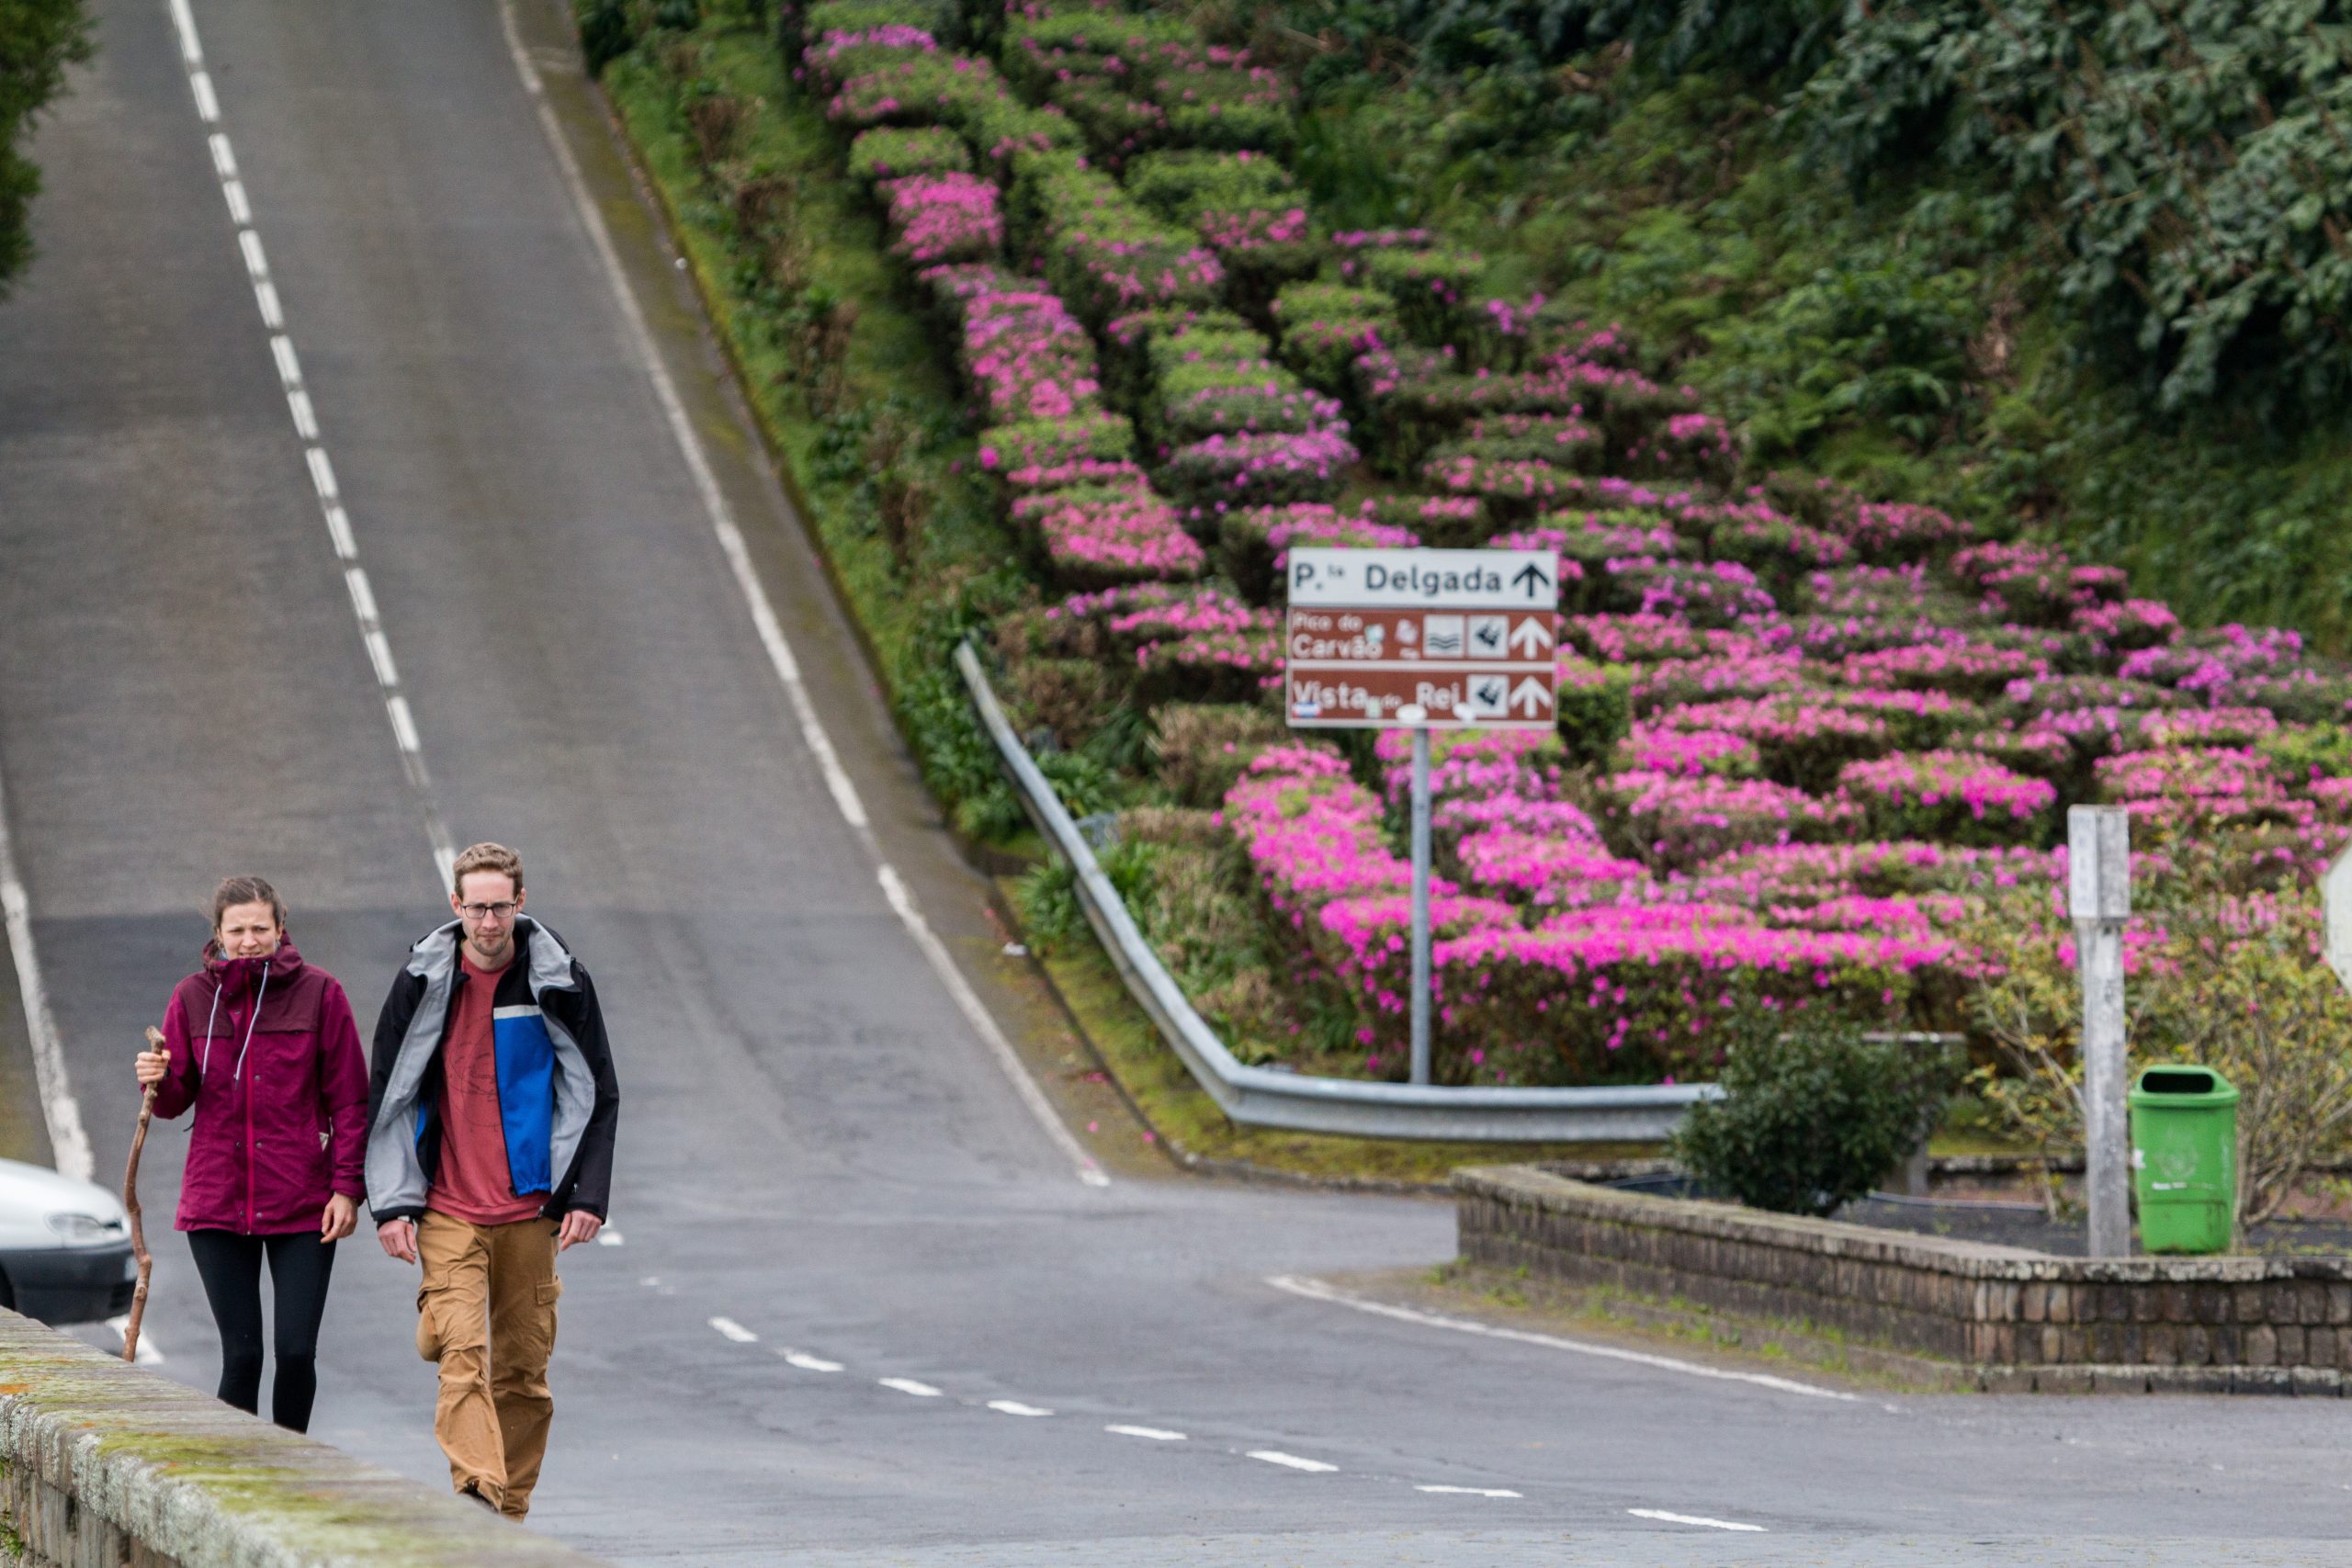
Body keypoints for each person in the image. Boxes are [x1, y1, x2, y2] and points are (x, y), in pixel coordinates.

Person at [366, 841, 618, 1521]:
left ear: (520, 903)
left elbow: (599, 1088)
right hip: (448, 1207)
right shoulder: (423, 981)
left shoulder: (557, 979)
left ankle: (508, 1516)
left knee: (523, 1374)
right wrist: (391, 1203)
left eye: (499, 907)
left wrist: (587, 1195)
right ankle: (478, 1494)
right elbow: (386, 1091)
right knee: (464, 1357)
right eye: (475, 907)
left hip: (532, 1209)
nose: (487, 922)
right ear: (456, 905)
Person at [133, 875, 368, 1433]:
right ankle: (239, 1485)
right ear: (217, 933)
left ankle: (290, 1473)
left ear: (280, 929)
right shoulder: (192, 997)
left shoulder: (322, 993)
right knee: (241, 1357)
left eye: (260, 928)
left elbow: (351, 1100)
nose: (248, 940)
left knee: (294, 1354)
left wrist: (347, 1189)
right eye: (236, 930)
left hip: (303, 1203)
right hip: (217, 1202)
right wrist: (155, 1080)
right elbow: (172, 1101)